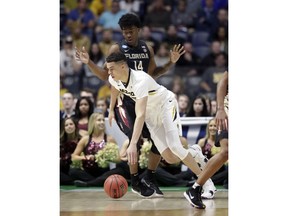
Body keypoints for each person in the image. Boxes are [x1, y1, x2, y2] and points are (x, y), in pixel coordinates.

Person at [75, 12, 185, 198]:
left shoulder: (147, 49)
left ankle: (149, 177)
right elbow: (105, 76)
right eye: (124, 32)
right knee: (135, 140)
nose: (128, 35)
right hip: (124, 104)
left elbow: (153, 74)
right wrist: (89, 63)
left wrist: (170, 63)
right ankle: (134, 180)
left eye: (131, 31)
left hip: (145, 102)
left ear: (138, 30)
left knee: (159, 142)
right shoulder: (116, 50)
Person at [106, 51, 215, 206]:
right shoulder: (114, 78)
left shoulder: (140, 80)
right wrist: (111, 109)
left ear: (123, 66)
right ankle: (195, 152)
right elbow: (115, 88)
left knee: (176, 146)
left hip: (165, 105)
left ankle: (205, 181)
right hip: (152, 116)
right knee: (170, 158)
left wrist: (132, 143)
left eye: (111, 68)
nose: (108, 72)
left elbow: (140, 114)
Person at [184, 70, 228, 209]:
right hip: (228, 110)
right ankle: (195, 188)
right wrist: (220, 109)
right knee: (226, 151)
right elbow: (223, 80)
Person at [70, 112, 119, 182]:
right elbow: (74, 156)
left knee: (118, 171)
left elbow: (118, 159)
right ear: (92, 122)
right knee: (73, 171)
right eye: (99, 120)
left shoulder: (109, 138)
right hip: (88, 172)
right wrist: (86, 157)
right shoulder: (85, 139)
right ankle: (97, 181)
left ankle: (90, 183)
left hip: (103, 172)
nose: (102, 122)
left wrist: (107, 157)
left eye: (103, 120)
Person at [60, 117, 82, 185]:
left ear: (75, 126)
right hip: (64, 169)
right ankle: (72, 181)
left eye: (71, 124)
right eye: (66, 125)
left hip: (77, 169)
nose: (69, 127)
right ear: (64, 128)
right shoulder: (60, 141)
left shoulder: (81, 140)